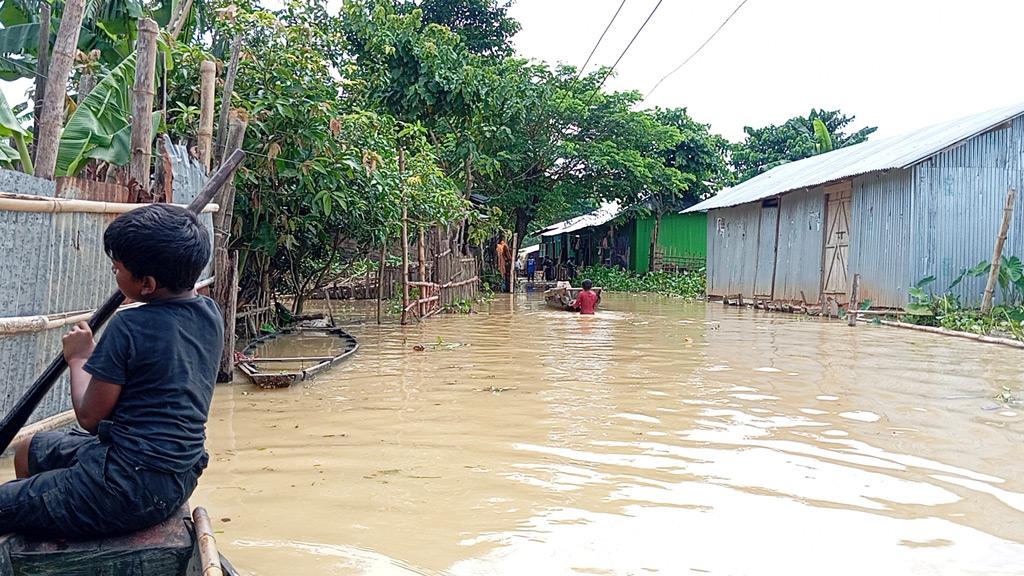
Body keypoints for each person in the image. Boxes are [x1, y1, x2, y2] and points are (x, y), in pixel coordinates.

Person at [0, 204, 223, 539]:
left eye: (117, 269)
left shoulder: (130, 324)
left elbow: (89, 417)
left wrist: (79, 357)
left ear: (147, 284)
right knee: (30, 449)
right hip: (177, 476)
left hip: (125, 486)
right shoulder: (209, 312)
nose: (114, 275)